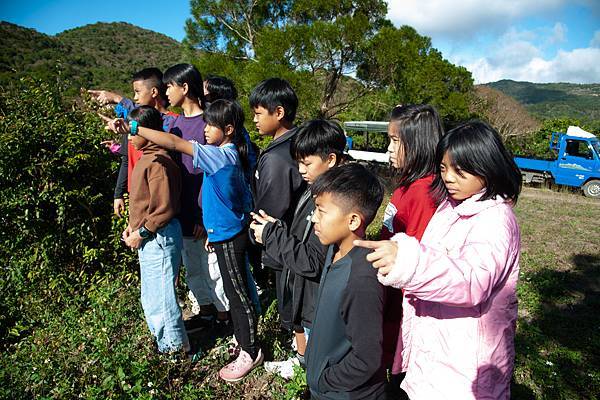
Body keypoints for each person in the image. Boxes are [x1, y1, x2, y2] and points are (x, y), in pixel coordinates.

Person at [355, 121, 522, 399]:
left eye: (460, 169)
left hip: (466, 362)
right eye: (443, 168)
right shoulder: (451, 206)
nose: (448, 177)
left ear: (487, 166)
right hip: (439, 349)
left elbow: (472, 280)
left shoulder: (496, 220)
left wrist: (410, 263)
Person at [122, 99, 262, 382]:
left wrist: (137, 126)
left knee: (237, 294)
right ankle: (243, 337)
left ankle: (250, 349)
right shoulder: (225, 154)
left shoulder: (221, 155)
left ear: (229, 129)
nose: (205, 130)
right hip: (223, 234)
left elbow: (174, 143)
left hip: (228, 236)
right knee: (237, 290)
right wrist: (212, 231)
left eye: (211, 125)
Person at [249, 119, 347, 374]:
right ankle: (302, 362)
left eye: (307, 163)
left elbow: (313, 261)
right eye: (299, 162)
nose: (301, 169)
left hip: (318, 294)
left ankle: (312, 374)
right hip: (305, 291)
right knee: (301, 323)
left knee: (317, 345)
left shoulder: (333, 203)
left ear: (332, 160)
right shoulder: (314, 189)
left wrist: (272, 235)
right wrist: (278, 229)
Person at [304, 163, 386, 399]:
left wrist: (324, 379)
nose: (313, 218)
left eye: (321, 210)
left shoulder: (362, 279)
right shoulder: (335, 250)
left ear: (353, 221)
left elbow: (367, 358)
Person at [379, 104, 444, 393]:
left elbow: (414, 258)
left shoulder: (423, 193)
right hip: (388, 293)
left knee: (399, 378)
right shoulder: (407, 184)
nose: (389, 150)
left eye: (395, 141)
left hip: (402, 303)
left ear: (417, 144)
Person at [161, 64, 231, 332]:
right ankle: (206, 314)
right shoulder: (175, 125)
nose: (166, 91)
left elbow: (214, 175)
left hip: (205, 215)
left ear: (185, 87)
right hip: (183, 213)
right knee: (193, 271)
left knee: (214, 272)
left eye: (169, 86)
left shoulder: (207, 125)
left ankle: (226, 320)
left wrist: (205, 215)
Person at [120, 106, 188, 354]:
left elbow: (163, 208)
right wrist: (132, 227)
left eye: (132, 133)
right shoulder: (148, 158)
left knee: (162, 298)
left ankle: (175, 351)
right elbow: (144, 203)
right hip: (151, 237)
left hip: (159, 237)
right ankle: (167, 345)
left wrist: (142, 232)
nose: (129, 138)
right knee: (152, 297)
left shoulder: (159, 162)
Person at [248, 77, 306, 328]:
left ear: (279, 112)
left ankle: (300, 354)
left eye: (258, 113)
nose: (254, 120)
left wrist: (255, 235)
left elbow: (270, 208)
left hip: (284, 239)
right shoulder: (298, 143)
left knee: (292, 301)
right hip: (300, 240)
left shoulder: (276, 158)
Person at [90, 68, 176, 217]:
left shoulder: (172, 123)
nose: (135, 97)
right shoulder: (131, 124)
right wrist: (118, 194)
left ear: (154, 92)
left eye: (137, 92)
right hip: (136, 195)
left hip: (160, 198)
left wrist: (116, 98)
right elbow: (126, 158)